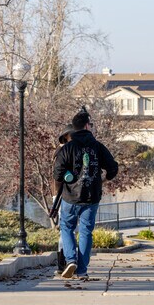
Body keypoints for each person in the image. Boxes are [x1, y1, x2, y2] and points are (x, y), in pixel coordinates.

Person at [53, 108, 118, 279]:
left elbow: (57, 173)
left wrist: (69, 177)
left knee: (66, 228)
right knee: (86, 231)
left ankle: (71, 260)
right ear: (87, 126)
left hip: (70, 198)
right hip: (92, 197)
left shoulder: (67, 148)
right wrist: (104, 178)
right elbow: (113, 167)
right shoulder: (98, 146)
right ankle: (82, 270)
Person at [52, 124, 74, 275]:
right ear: (66, 137)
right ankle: (64, 262)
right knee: (66, 229)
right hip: (63, 194)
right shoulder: (62, 151)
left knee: (66, 229)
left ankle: (65, 262)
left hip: (67, 193)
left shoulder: (62, 151)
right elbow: (59, 176)